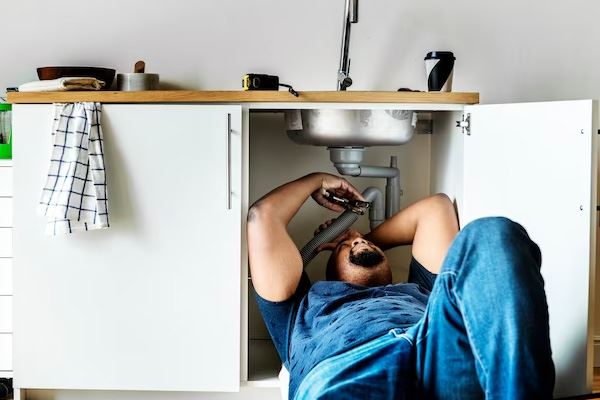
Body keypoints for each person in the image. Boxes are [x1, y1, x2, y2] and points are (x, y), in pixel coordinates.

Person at [247, 172, 554, 400]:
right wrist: (316, 180)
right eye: (345, 247)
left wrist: (357, 239)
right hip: (347, 370)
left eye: (362, 242)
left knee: (491, 234)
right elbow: (262, 217)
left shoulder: (418, 289)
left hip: (435, 351)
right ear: (329, 274)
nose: (358, 243)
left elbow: (436, 208)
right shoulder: (301, 307)